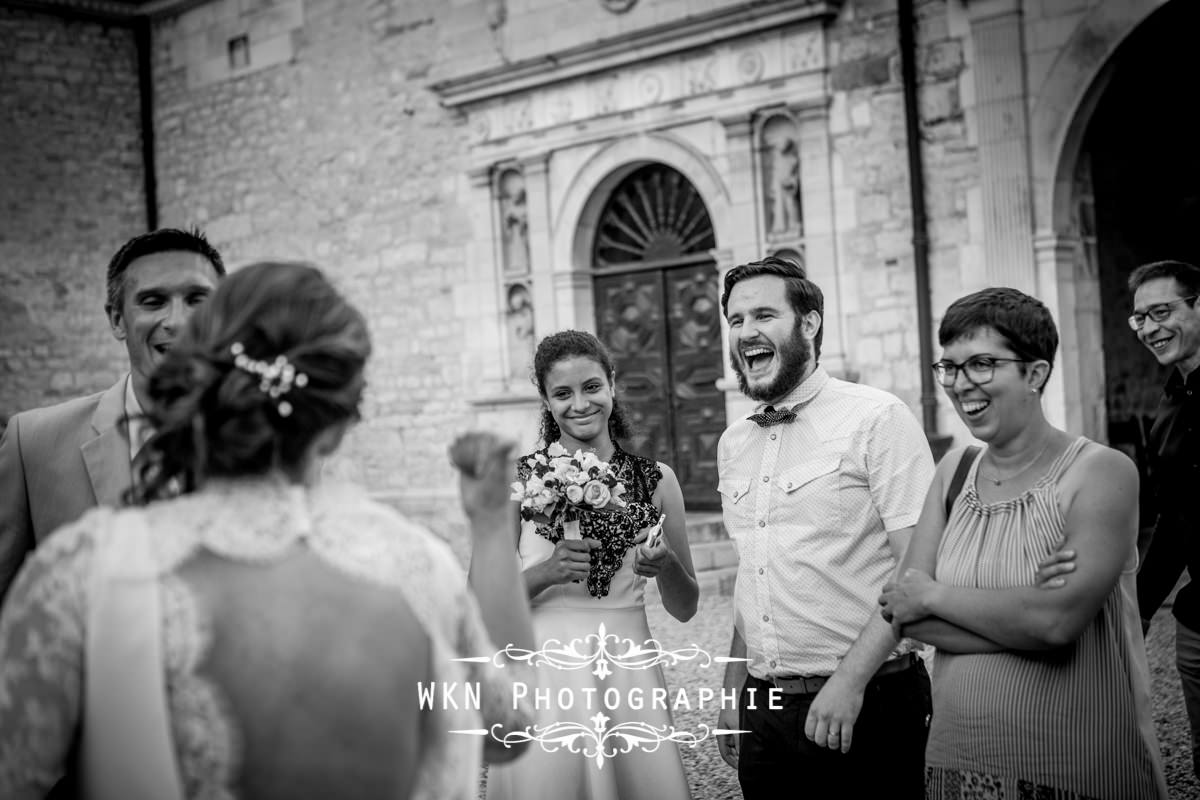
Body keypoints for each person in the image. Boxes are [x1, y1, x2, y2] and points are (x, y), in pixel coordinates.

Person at [0, 261, 536, 800]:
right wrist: (492, 528)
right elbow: (509, 729)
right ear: (338, 424)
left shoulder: (80, 575)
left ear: (190, 391)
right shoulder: (417, 569)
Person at [879, 287, 1167, 798]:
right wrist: (1023, 616)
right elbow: (907, 617)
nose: (961, 384)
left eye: (982, 364)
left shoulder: (1099, 472)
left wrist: (936, 595)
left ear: (1035, 373)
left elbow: (1056, 623)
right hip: (956, 762)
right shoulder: (954, 471)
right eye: (949, 367)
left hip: (1075, 768)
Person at [714, 256, 934, 798]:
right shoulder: (732, 443)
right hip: (763, 712)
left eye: (764, 315)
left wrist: (850, 682)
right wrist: (732, 692)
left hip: (869, 702)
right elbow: (756, 574)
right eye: (736, 320)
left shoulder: (878, 419)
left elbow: (919, 568)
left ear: (809, 323)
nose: (747, 333)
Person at [484, 329, 698, 800]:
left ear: (613, 385)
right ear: (545, 399)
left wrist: (664, 566)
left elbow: (686, 608)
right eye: (562, 393)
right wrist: (546, 572)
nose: (580, 404)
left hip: (627, 670)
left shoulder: (657, 481)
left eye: (591, 387)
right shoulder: (516, 482)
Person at [0, 227, 225, 603]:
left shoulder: (273, 443)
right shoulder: (33, 443)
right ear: (117, 320)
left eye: (197, 300)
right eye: (153, 301)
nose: (178, 321)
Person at [1129, 260, 1200, 777]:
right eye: (1141, 318)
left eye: (1162, 311)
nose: (1151, 328)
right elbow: (1174, 522)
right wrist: (1140, 610)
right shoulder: (1166, 415)